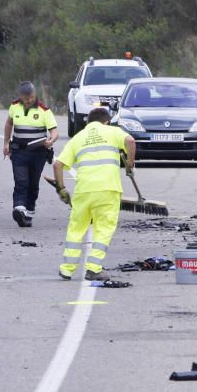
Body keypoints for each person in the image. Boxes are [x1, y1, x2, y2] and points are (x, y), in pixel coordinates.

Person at [51, 107, 136, 281]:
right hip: (108, 189)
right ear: (106, 121)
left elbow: (57, 165)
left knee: (76, 228)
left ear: (88, 122)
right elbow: (131, 141)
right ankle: (94, 268)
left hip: (83, 191)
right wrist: (129, 164)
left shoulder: (78, 138)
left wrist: (61, 189)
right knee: (103, 228)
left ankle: (67, 269)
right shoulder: (112, 131)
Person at [3, 81, 59, 227]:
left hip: (38, 153)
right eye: (26, 98)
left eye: (32, 97)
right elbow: (9, 124)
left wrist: (51, 140)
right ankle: (19, 209)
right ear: (20, 96)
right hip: (19, 151)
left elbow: (54, 131)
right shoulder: (14, 107)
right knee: (21, 181)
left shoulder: (44, 110)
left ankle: (28, 211)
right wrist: (6, 143)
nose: (29, 100)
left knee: (33, 184)